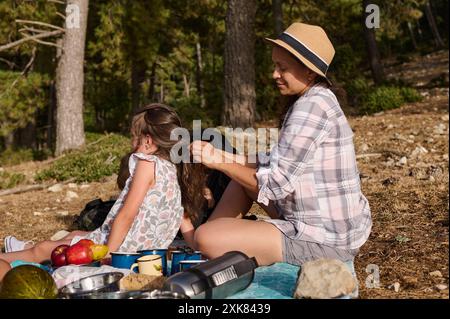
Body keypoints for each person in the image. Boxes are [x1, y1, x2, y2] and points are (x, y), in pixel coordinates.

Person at [190, 22, 372, 267]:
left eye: (282, 68)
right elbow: (275, 159)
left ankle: (211, 241)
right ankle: (218, 240)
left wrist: (219, 162)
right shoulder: (314, 99)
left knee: (204, 237)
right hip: (319, 220)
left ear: (309, 72)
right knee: (240, 182)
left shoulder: (311, 108)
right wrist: (221, 155)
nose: (274, 74)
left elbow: (275, 185)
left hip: (326, 240)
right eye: (275, 65)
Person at [0, 103, 206, 271]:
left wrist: (109, 252)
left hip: (123, 250)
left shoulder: (147, 164)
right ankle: (19, 248)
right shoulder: (174, 169)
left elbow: (127, 214)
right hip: (146, 251)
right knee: (75, 235)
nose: (131, 140)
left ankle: (8, 258)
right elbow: (184, 219)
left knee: (44, 249)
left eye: (133, 135)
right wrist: (197, 250)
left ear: (148, 141)